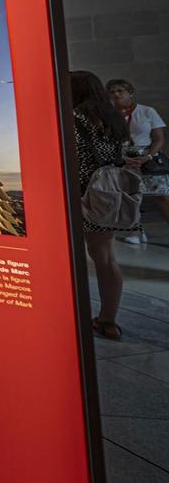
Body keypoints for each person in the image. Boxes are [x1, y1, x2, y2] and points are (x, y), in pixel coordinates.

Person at [72, 71, 132, 341]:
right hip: (108, 193)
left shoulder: (74, 118)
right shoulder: (114, 119)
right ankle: (109, 319)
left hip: (79, 194)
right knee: (105, 257)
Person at [106, 78, 169, 245]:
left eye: (120, 90)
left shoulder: (147, 111)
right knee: (129, 197)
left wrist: (147, 156)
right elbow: (106, 140)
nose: (116, 94)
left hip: (147, 156)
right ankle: (135, 231)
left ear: (130, 92)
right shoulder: (109, 115)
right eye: (112, 92)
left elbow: (159, 139)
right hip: (122, 157)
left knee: (162, 196)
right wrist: (120, 157)